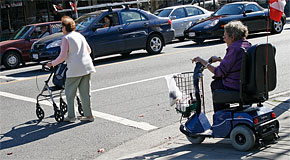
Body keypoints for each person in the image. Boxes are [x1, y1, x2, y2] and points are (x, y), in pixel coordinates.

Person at [192, 21, 252, 113]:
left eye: (225, 37)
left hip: (236, 85)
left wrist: (203, 61)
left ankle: (221, 115)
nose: (224, 39)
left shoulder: (234, 49)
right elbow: (237, 63)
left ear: (232, 37)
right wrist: (220, 60)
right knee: (218, 83)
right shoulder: (246, 44)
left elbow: (219, 72)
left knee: (216, 85)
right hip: (245, 83)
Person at [46, 16, 96, 122]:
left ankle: (71, 116)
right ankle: (89, 115)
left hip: (74, 69)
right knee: (85, 93)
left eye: (62, 27)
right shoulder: (79, 35)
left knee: (70, 93)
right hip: (87, 66)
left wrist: (52, 63)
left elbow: (62, 56)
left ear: (65, 27)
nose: (61, 29)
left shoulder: (66, 38)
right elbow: (89, 50)